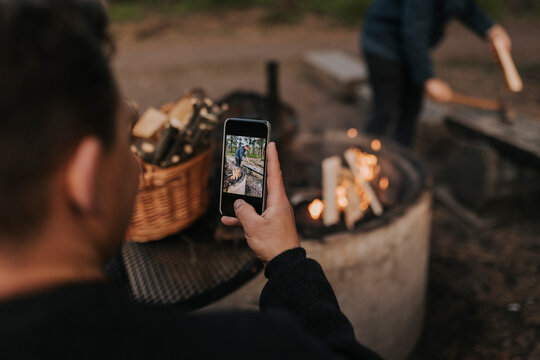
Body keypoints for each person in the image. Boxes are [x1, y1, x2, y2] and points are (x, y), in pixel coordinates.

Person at [0, 1, 382, 359]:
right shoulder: (253, 345)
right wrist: (288, 261)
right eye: (126, 140)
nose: (135, 164)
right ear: (83, 177)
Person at [361, 0, 512, 147]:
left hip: (410, 51)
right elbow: (415, 30)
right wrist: (428, 78)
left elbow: (464, 7)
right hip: (383, 44)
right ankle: (358, 159)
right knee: (385, 110)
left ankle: (399, 161)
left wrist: (491, 29)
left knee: (411, 110)